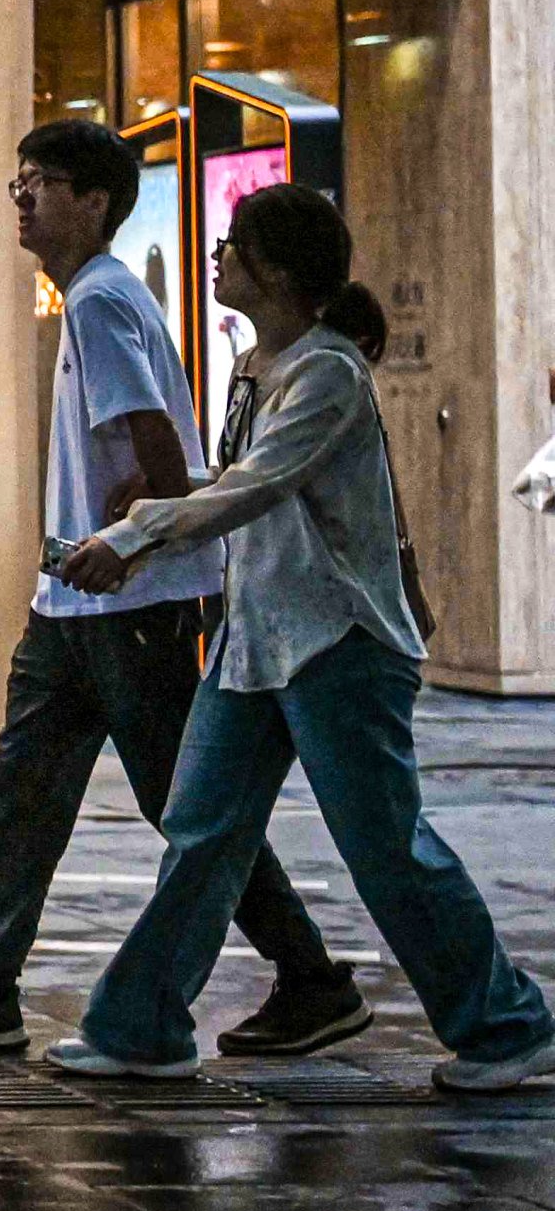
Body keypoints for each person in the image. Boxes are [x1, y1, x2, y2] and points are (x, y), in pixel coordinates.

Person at [0, 121, 360, 1057]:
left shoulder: (98, 302)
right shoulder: (96, 296)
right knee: (24, 794)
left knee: (181, 805)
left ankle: (310, 978)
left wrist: (120, 546)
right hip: (73, 607)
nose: (21, 196)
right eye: (16, 180)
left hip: (127, 606)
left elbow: (161, 461)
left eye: (41, 181)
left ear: (93, 201)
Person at [48, 186, 555, 1093]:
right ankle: (141, 1028)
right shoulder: (259, 366)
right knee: (200, 832)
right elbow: (238, 480)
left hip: (335, 646)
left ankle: (507, 1025)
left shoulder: (326, 373)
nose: (217, 256)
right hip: (254, 643)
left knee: (384, 846)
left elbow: (259, 487)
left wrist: (133, 536)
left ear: (274, 271)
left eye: (232, 245)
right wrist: (159, 513)